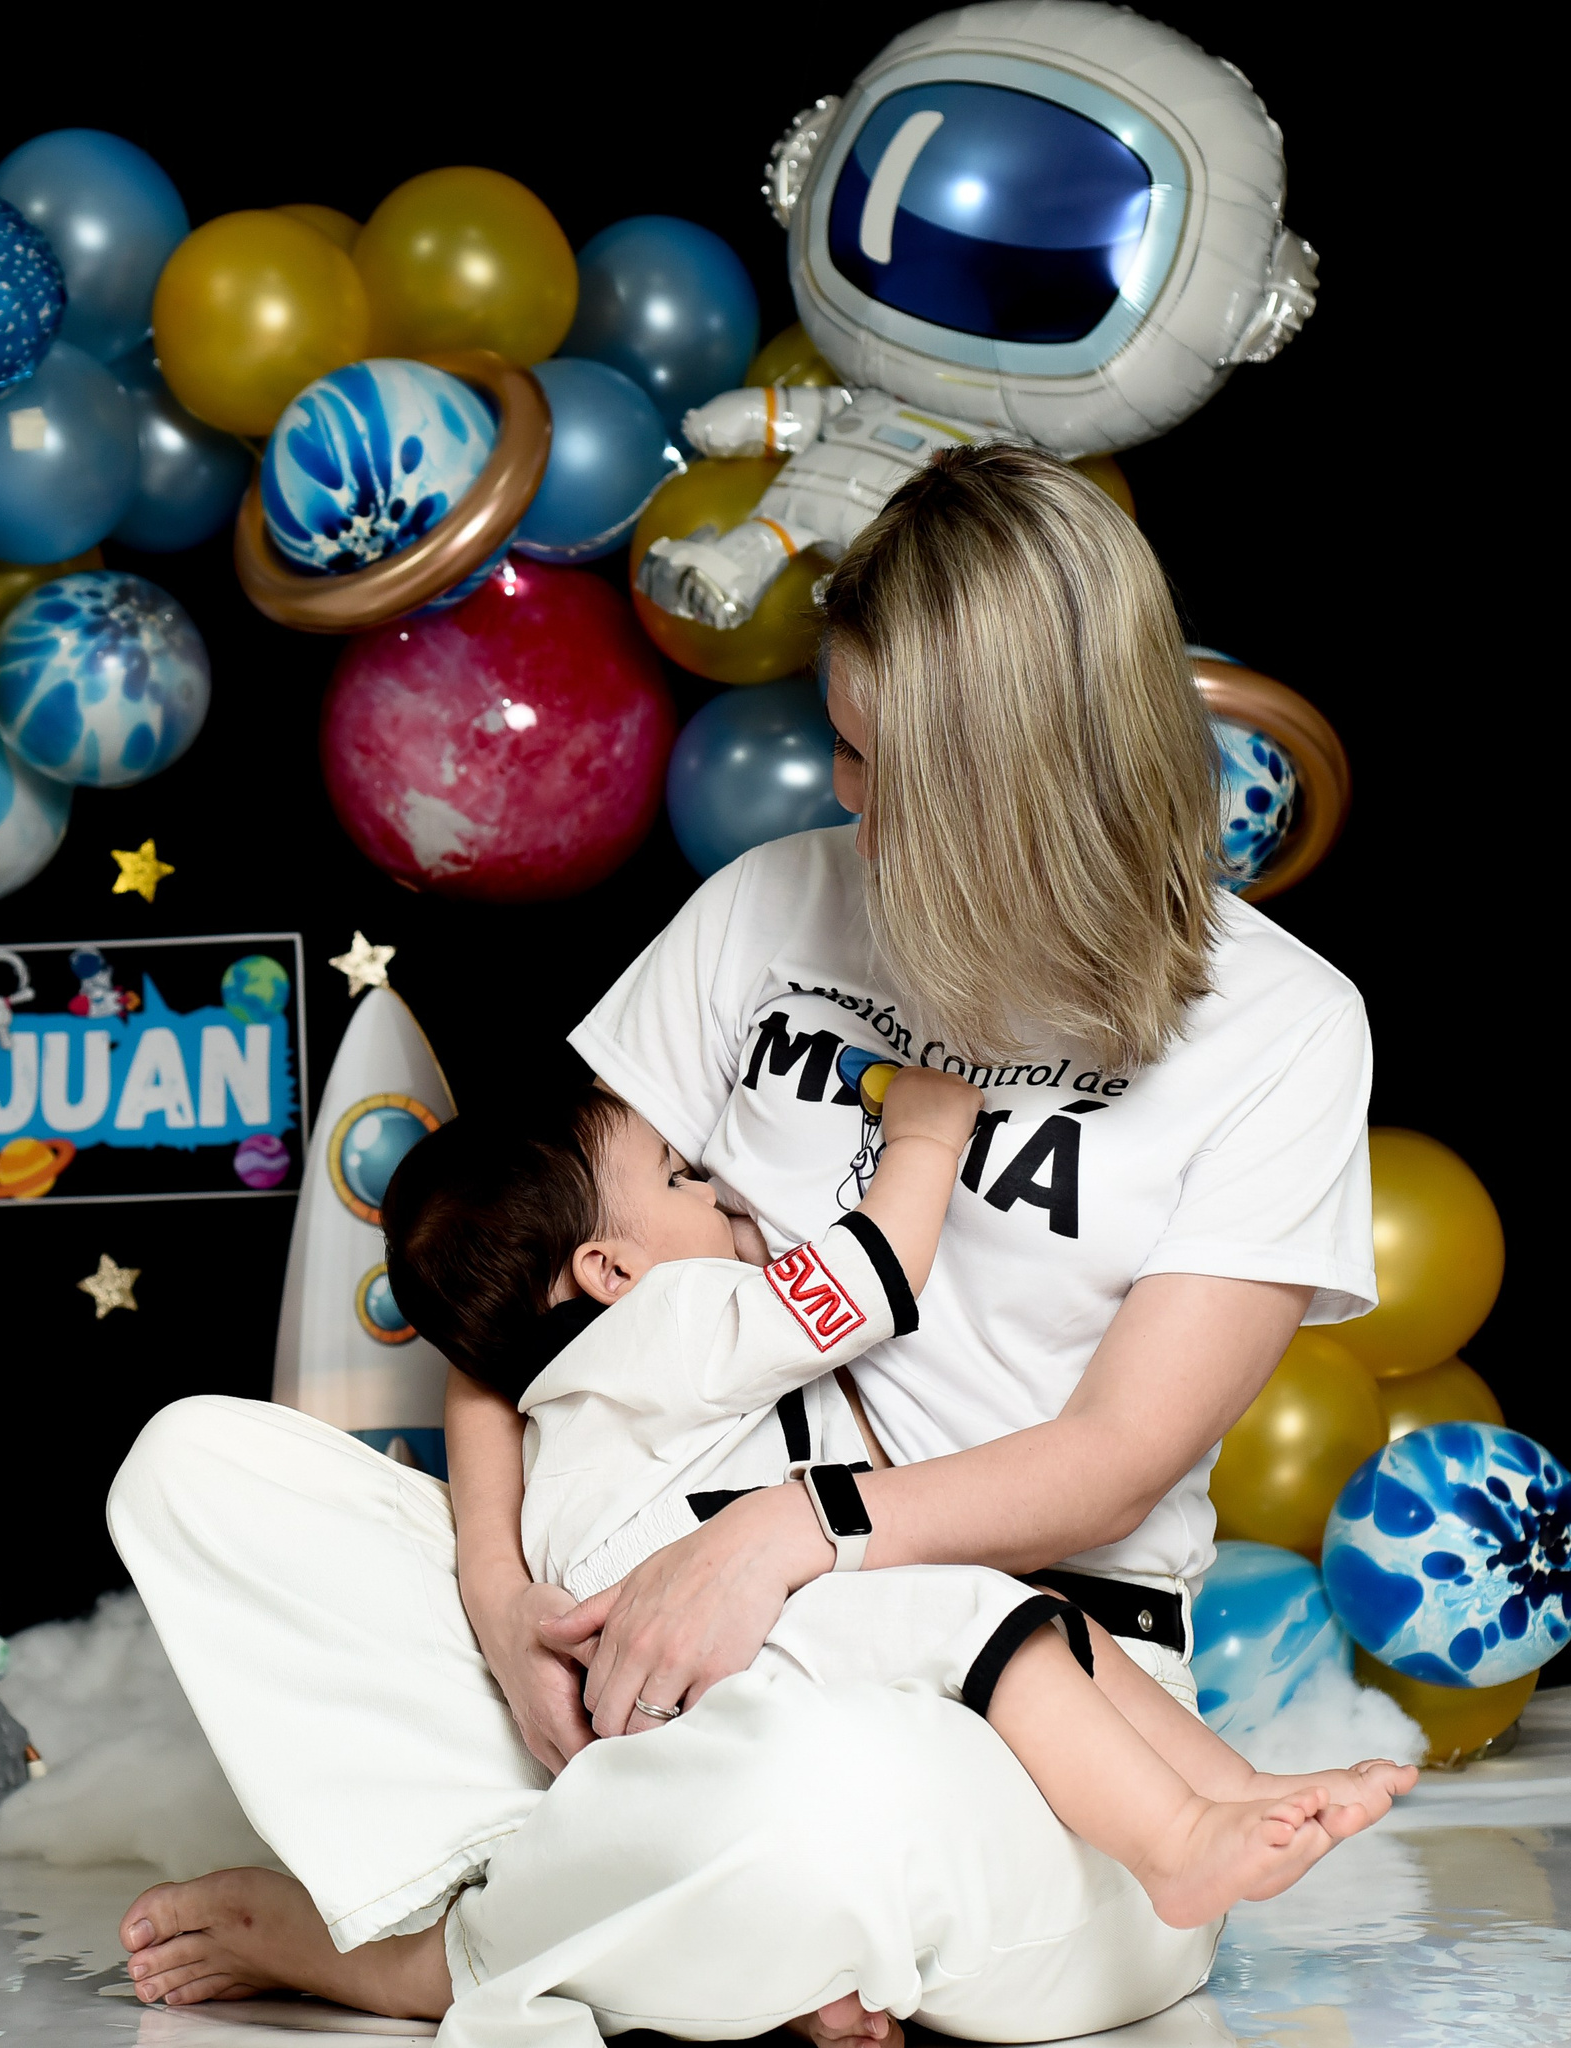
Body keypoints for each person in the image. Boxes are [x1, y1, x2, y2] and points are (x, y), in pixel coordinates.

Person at [109, 444, 1378, 2045]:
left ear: (1027, 776)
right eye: (834, 741)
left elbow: (1121, 1458)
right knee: (199, 1473)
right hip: (648, 1598)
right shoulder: (768, 910)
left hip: (1037, 1687)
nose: (843, 796)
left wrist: (789, 1534)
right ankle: (656, 1895)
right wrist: (507, 1606)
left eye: (878, 760)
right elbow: (542, 1298)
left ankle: (420, 1948)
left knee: (821, 1791)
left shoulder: (1283, 1027)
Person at [381, 1078, 1411, 1934]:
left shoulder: (553, 1402)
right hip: (728, 1618)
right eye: (684, 1177)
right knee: (983, 1611)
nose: (722, 1190)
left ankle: (1231, 1790)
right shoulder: (676, 1314)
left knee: (1042, 1624)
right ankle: (1176, 1840)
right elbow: (871, 1275)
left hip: (649, 1673)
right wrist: (923, 1133)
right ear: (610, 1271)